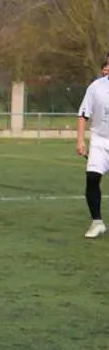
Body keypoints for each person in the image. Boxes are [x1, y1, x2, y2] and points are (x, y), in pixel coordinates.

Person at [77, 51, 109, 239]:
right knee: (92, 178)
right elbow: (83, 114)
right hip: (99, 140)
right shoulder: (96, 87)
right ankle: (97, 221)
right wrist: (81, 140)